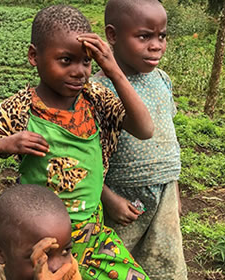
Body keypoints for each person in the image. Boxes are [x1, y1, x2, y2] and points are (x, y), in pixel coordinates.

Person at [0, 5, 153, 280]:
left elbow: (145, 128)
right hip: (38, 242)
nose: (79, 71)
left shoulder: (96, 101)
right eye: (65, 60)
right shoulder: (20, 108)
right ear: (34, 56)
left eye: (86, 61)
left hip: (90, 235)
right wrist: (7, 143)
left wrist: (114, 70)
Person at [91, 0, 187, 279]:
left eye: (162, 36)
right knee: (115, 264)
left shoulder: (162, 80)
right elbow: (88, 153)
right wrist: (107, 198)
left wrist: (174, 190)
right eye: (144, 36)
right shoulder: (99, 90)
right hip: (123, 197)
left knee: (165, 263)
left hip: (164, 192)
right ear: (112, 35)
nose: (156, 45)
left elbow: (169, 137)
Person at [0, 184, 82, 280]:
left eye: (65, 250)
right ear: (0, 253)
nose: (56, 265)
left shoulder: (67, 268)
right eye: (40, 256)